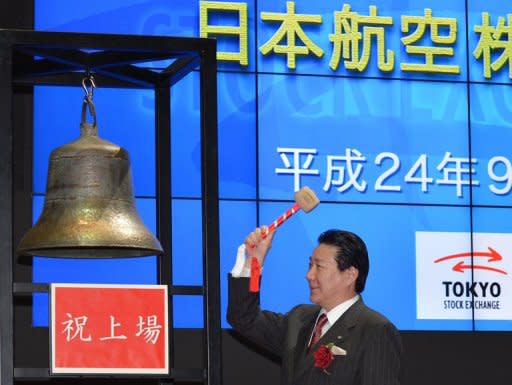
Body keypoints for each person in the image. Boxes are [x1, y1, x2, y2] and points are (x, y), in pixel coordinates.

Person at [227, 227, 403, 385]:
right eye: (310, 265)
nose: (309, 275)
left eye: (319, 267)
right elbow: (243, 317)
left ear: (350, 275)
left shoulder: (375, 330)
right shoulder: (299, 319)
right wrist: (254, 262)